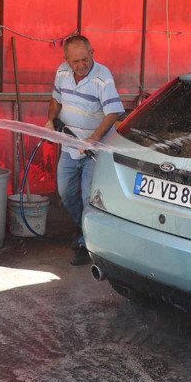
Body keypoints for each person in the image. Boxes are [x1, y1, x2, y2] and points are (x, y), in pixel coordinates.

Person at [45, 35, 123, 266]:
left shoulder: (103, 77)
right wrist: (51, 120)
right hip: (69, 145)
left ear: (92, 53)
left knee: (89, 196)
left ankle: (85, 242)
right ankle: (82, 227)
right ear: (66, 59)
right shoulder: (62, 72)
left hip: (93, 150)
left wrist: (93, 140)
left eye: (85, 59)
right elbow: (55, 99)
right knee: (65, 193)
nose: (81, 65)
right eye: (75, 61)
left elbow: (113, 112)